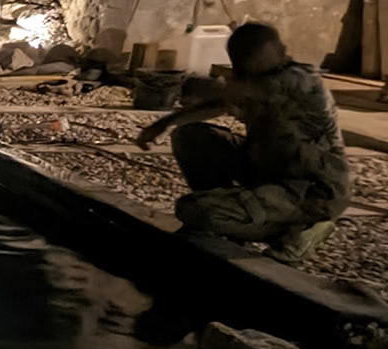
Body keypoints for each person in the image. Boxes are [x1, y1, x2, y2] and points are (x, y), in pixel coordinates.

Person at [135, 22, 348, 263]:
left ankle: (305, 227)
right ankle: (236, 213)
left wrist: (199, 96)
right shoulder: (256, 79)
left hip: (310, 190)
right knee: (189, 136)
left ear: (281, 52)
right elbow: (222, 103)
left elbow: (231, 95)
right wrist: (163, 125)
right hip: (266, 169)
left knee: (193, 210)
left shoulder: (299, 80)